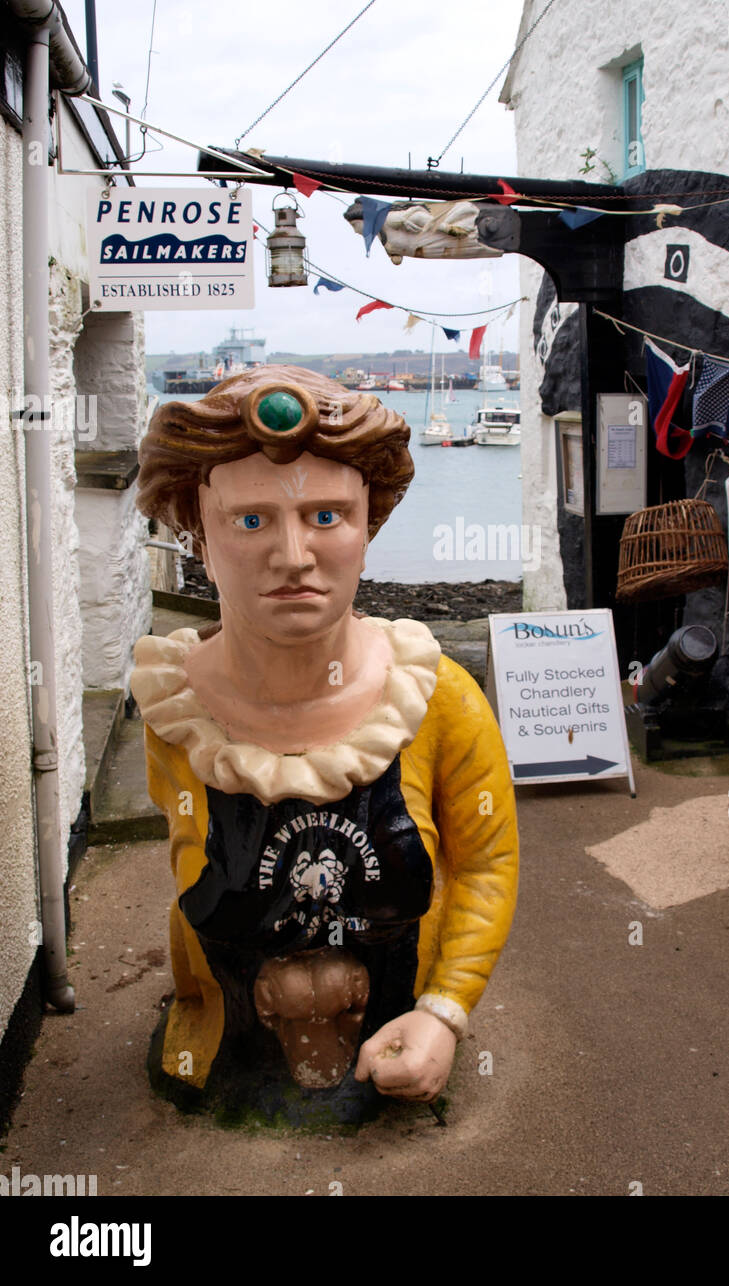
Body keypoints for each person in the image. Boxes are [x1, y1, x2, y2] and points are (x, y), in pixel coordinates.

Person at [130, 367, 518, 1124]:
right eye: (249, 521)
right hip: (231, 1025)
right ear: (198, 537)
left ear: (367, 529)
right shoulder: (175, 710)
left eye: (327, 516)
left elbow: (485, 862)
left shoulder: (437, 700)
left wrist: (443, 1011)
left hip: (397, 1022)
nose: (294, 555)